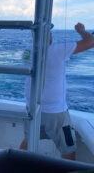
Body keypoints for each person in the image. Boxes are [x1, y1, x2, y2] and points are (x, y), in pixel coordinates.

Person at [20, 22, 94, 160]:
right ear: (47, 35)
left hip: (33, 109)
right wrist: (81, 30)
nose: (51, 35)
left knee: (28, 141)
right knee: (68, 149)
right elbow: (91, 41)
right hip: (56, 113)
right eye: (49, 32)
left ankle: (16, 166)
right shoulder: (57, 50)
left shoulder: (27, 51)